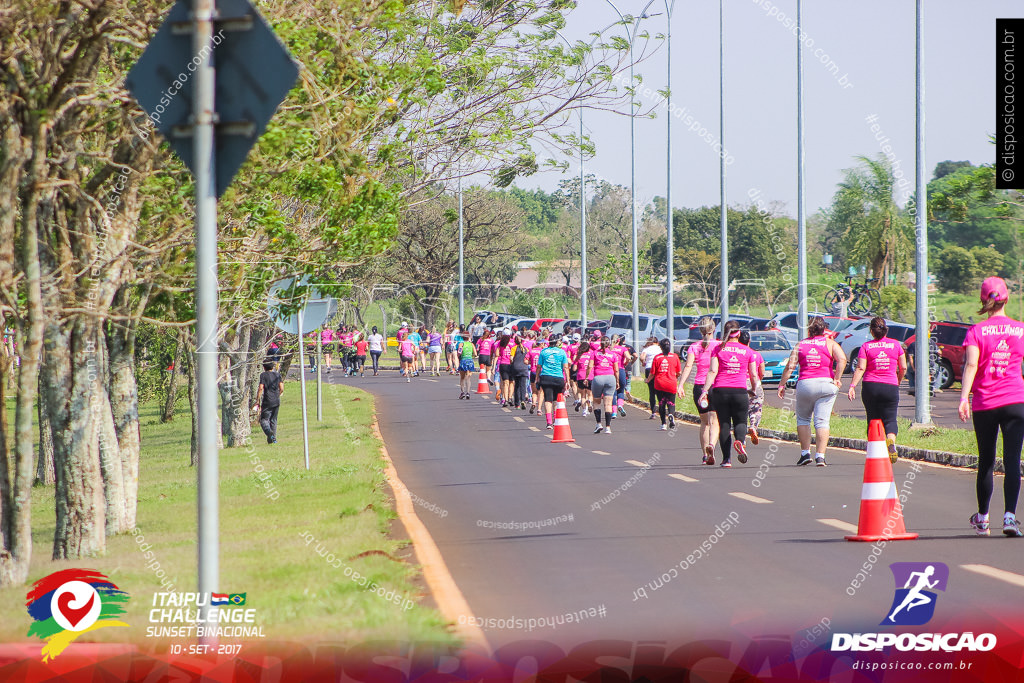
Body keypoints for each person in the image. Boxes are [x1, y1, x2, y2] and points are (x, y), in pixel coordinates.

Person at [958, 277, 1024, 537]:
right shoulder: (1020, 329)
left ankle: (983, 518)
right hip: (1015, 402)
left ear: (984, 300)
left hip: (985, 403)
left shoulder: (976, 331)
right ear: (1006, 298)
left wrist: (964, 397)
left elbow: (971, 366)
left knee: (986, 460)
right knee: (1012, 460)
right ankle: (1009, 518)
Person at [778, 315, 847, 467]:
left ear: (809, 330)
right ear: (824, 329)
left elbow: (790, 366)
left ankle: (805, 453)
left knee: (803, 419)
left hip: (806, 384)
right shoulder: (830, 343)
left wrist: (782, 385)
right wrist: (837, 378)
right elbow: (842, 359)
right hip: (826, 384)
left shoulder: (801, 345)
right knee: (822, 421)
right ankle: (820, 457)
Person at [700, 322, 761, 468]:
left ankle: (726, 460)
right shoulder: (747, 351)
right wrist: (753, 389)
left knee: (724, 424)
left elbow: (713, 371)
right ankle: (739, 441)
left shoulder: (718, 348)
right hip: (740, 391)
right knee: (740, 422)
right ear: (739, 334)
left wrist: (704, 391)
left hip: (720, 391)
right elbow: (753, 374)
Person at [847, 317, 907, 462]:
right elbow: (903, 367)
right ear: (885, 330)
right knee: (890, 419)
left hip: (870, 386)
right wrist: (897, 380)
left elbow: (861, 368)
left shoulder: (866, 346)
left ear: (872, 331)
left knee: (873, 418)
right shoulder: (895, 345)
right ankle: (891, 442)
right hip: (890, 386)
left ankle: (874, 451)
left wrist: (852, 385)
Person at [679, 317, 721, 464]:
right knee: (714, 421)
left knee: (704, 423)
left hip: (699, 387)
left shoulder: (694, 347)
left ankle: (705, 455)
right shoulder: (720, 345)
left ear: (700, 330)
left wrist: (680, 385)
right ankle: (712, 445)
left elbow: (688, 366)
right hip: (715, 386)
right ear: (714, 329)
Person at [586, 338, 621, 434]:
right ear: (609, 344)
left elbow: (590, 366)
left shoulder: (595, 353)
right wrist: (617, 381)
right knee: (608, 404)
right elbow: (616, 370)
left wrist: (586, 377)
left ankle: (599, 424)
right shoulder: (613, 354)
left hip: (598, 378)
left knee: (597, 402)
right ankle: (608, 427)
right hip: (610, 378)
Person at [646, 338, 682, 431]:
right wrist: (675, 376)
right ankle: (670, 414)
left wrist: (647, 380)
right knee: (671, 402)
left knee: (661, 403)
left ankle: (663, 424)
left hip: (660, 383)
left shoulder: (657, 357)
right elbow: (679, 372)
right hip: (671, 383)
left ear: (661, 347)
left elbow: (652, 373)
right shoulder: (675, 357)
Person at [536, 336, 571, 429]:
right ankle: (556, 420)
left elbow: (539, 366)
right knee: (556, 399)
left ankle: (549, 422)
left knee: (548, 399)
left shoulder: (543, 352)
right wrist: (567, 380)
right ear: (556, 342)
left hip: (546, 377)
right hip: (558, 377)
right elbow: (566, 367)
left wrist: (537, 378)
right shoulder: (562, 352)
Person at [739, 330, 765, 444]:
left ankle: (742, 437)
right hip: (754, 382)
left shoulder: (738, 353)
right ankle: (753, 426)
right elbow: (762, 372)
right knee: (756, 408)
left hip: (740, 383)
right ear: (749, 341)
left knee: (741, 410)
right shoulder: (756, 354)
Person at [253, 361, 284, 444]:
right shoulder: (277, 375)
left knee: (264, 420)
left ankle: (269, 433)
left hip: (267, 400)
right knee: (273, 420)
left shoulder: (263, 375)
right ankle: (273, 439)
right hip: (276, 400)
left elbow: (260, 388)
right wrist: (277, 394)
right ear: (272, 367)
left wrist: (257, 400)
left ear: (264, 367)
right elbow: (281, 388)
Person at [611, 335, 637, 417]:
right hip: (621, 370)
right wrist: (625, 363)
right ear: (619, 340)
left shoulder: (609, 348)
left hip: (611, 371)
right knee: (621, 390)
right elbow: (629, 357)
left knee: (612, 392)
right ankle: (620, 405)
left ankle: (614, 412)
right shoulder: (623, 349)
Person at [639, 337, 662, 420]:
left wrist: (644, 362)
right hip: (659, 369)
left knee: (651, 391)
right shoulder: (660, 348)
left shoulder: (647, 348)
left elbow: (642, 357)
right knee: (660, 390)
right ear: (657, 342)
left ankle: (653, 412)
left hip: (649, 368)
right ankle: (661, 409)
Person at [573, 340, 593, 417]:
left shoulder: (579, 355)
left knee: (583, 394)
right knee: (590, 393)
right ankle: (590, 401)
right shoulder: (591, 354)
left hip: (580, 376)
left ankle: (584, 410)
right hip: (590, 376)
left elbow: (574, 368)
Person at [511, 334, 531, 409]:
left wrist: (512, 363)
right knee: (523, 385)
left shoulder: (514, 348)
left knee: (517, 386)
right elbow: (528, 358)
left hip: (516, 368)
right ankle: (523, 400)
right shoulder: (526, 349)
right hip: (524, 368)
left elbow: (511, 358)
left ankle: (517, 403)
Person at [455, 326, 477, 399]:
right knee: (468, 378)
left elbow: (459, 352)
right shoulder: (471, 344)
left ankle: (462, 392)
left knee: (462, 378)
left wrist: (458, 356)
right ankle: (468, 392)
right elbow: (475, 354)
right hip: (470, 360)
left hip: (463, 360)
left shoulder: (461, 344)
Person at [495, 332, 514, 406]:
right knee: (511, 382)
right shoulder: (512, 342)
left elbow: (497, 354)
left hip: (503, 364)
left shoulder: (500, 343)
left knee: (505, 383)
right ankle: (510, 398)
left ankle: (505, 399)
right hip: (511, 364)